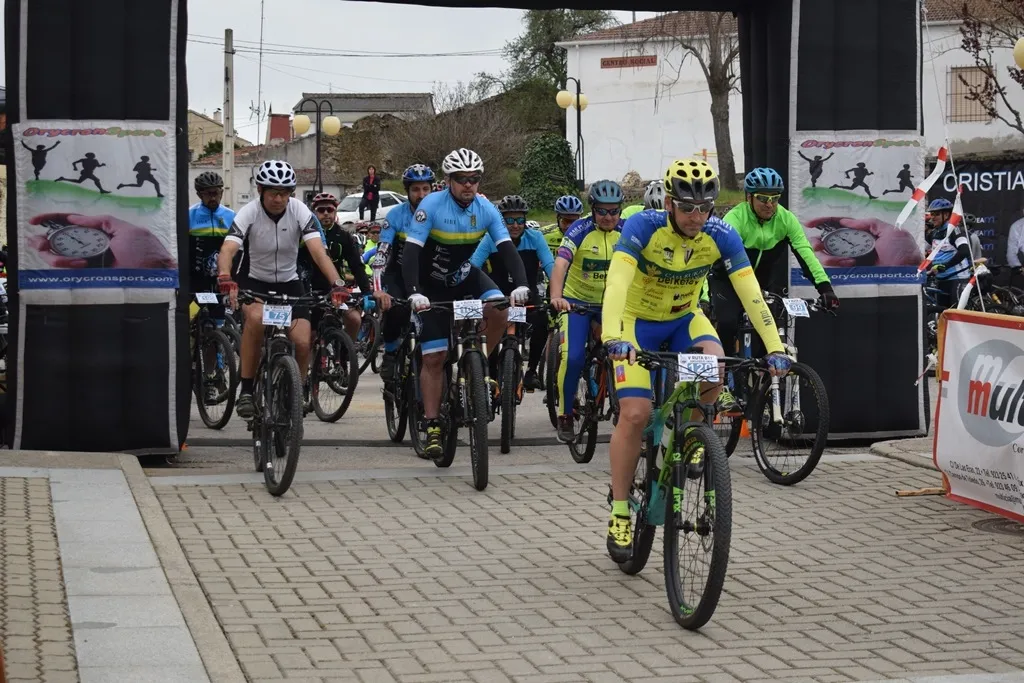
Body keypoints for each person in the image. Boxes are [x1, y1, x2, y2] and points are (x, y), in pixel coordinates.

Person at [601, 159, 792, 563]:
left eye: (705, 208)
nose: (696, 217)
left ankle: (693, 434)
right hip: (635, 322)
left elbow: (751, 294)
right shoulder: (643, 227)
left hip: (685, 319)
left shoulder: (720, 234)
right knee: (635, 413)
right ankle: (620, 509)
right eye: (688, 208)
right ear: (669, 201)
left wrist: (775, 346)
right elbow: (616, 283)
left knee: (718, 366)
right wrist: (613, 337)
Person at [402, 148, 531, 458]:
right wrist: (414, 291)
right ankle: (432, 424)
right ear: (449, 181)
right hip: (431, 287)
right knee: (435, 358)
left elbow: (507, 250)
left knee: (501, 307)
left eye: (474, 179)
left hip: (463, 277)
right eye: (462, 179)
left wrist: (523, 284)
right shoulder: (431, 205)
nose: (469, 185)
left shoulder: (486, 208)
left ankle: (478, 364)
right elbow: (411, 253)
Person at [216, 160, 349, 419]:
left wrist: (337, 283)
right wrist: (224, 276)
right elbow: (228, 249)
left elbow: (318, 252)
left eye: (285, 193)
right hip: (254, 280)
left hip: (290, 282)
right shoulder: (249, 212)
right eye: (273, 192)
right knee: (255, 320)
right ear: (260, 191)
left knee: (301, 341)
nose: (279, 198)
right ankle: (246, 390)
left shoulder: (299, 211)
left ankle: (296, 390)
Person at [714, 168, 838, 397]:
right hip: (727, 281)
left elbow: (805, 253)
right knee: (728, 321)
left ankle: (762, 392)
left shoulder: (785, 219)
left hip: (760, 283)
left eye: (774, 198)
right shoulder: (735, 218)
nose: (769, 204)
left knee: (770, 327)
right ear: (749, 197)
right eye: (763, 198)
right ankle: (725, 384)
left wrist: (825, 288)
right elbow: (711, 256)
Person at [549, 180, 625, 442]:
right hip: (577, 303)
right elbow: (560, 265)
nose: (608, 217)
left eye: (614, 211)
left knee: (625, 354)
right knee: (573, 358)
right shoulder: (578, 230)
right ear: (592, 209)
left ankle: (623, 407)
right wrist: (557, 297)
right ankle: (565, 414)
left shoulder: (626, 231)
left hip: (612, 305)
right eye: (602, 211)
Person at [469, 195, 554, 391]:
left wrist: (558, 292)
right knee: (487, 326)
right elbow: (474, 266)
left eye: (519, 220)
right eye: (509, 220)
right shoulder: (491, 239)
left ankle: (532, 370)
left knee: (542, 321)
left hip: (527, 295)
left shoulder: (536, 238)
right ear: (501, 220)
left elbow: (550, 265)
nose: (515, 225)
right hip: (498, 297)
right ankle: (489, 372)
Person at [375, 164, 434, 383]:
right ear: (407, 191)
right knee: (396, 309)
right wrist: (379, 290)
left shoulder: (440, 212)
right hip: (398, 274)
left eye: (425, 189)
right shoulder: (396, 215)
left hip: (429, 276)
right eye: (416, 190)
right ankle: (390, 353)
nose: (421, 195)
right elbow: (382, 254)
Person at [300, 192, 378, 344]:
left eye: (330, 210)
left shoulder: (344, 236)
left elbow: (357, 266)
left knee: (355, 320)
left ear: (335, 212)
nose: (326, 214)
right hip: (310, 290)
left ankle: (344, 352)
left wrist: (367, 292)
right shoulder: (306, 234)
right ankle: (309, 367)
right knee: (309, 337)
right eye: (321, 210)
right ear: (314, 212)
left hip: (336, 288)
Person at [924, 197, 972, 307]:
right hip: (941, 280)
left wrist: (946, 265)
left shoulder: (954, 230)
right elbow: (919, 251)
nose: (932, 217)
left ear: (946, 215)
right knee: (943, 315)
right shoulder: (934, 233)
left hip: (957, 279)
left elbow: (965, 251)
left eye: (936, 214)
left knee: (955, 316)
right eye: (932, 214)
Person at [540, 195, 584, 259]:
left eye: (574, 222)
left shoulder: (587, 236)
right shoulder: (542, 235)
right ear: (558, 218)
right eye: (565, 221)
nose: (569, 226)